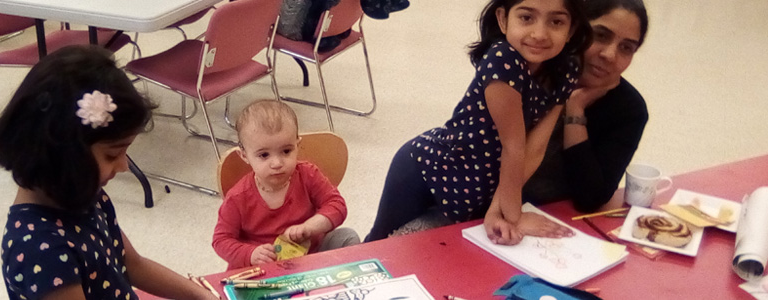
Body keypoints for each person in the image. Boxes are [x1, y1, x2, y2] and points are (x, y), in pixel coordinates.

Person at [0, 46, 216, 300]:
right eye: (112, 154)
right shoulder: (42, 252)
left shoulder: (85, 194)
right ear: (63, 153)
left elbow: (133, 265)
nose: (123, 166)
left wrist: (202, 296)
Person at [365, 0, 592, 245]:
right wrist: (515, 216)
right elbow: (514, 146)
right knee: (379, 244)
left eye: (556, 22)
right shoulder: (502, 59)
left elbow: (534, 148)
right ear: (503, 20)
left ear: (571, 29)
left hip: (476, 186)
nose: (539, 34)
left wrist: (498, 210)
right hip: (426, 170)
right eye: (526, 18)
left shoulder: (567, 69)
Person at [523, 0, 649, 213]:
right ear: (575, 30)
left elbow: (591, 198)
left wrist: (575, 109)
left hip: (554, 222)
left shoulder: (629, 109)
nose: (609, 55)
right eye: (601, 35)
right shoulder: (532, 71)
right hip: (481, 207)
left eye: (626, 48)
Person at [212, 100, 359, 270]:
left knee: (347, 237)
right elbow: (221, 240)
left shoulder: (307, 174)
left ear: (297, 145)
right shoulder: (238, 197)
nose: (277, 163)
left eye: (286, 151)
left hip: (312, 258)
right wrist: (250, 254)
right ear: (244, 156)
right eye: (264, 155)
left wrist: (309, 227)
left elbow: (337, 206)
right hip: (262, 269)